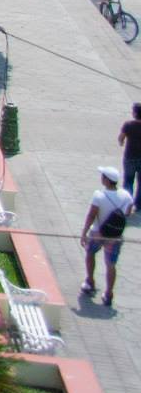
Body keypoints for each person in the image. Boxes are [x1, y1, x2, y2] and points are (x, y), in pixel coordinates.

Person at [83, 164, 134, 307]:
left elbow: (91, 215)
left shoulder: (99, 195)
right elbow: (128, 213)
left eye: (102, 176)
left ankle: (90, 282)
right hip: (115, 236)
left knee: (90, 254)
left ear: (106, 180)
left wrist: (84, 232)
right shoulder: (126, 196)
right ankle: (109, 293)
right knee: (111, 264)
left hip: (98, 232)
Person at [121, 104, 141, 196]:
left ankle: (127, 202)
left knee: (128, 181)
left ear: (135, 113)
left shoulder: (128, 125)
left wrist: (121, 142)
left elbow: (121, 137)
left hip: (130, 157)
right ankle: (139, 205)